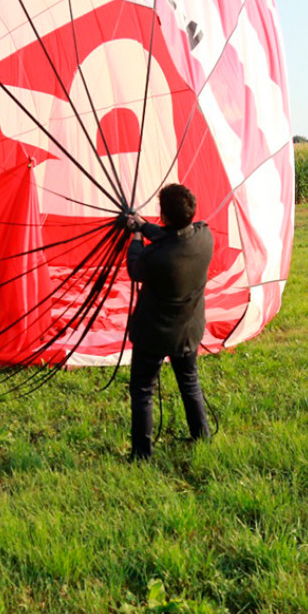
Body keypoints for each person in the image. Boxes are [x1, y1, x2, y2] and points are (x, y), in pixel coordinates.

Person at [125, 184, 213, 460]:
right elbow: (173, 237)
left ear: (163, 215)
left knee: (142, 390)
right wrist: (144, 225)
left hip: (153, 334)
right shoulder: (204, 235)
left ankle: (142, 455)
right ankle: (202, 437)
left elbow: (135, 268)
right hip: (187, 330)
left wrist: (137, 235)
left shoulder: (155, 256)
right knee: (190, 383)